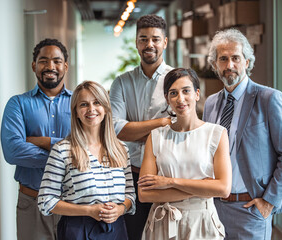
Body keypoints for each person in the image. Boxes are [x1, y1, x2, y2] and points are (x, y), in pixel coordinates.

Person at [203, 28, 282, 239]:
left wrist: (269, 202)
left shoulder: (269, 99)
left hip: (250, 209)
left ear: (247, 62)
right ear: (214, 65)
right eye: (223, 59)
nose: (230, 65)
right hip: (213, 207)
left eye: (236, 58)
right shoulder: (210, 104)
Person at [138, 68, 232, 240]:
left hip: (201, 223)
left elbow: (223, 188)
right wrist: (202, 189)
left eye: (186, 91)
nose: (180, 99)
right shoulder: (156, 136)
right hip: (163, 223)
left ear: (197, 94)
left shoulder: (217, 134)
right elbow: (145, 194)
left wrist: (169, 182)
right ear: (167, 98)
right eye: (173, 93)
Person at [37, 81, 135, 240]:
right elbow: (45, 201)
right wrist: (88, 210)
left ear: (105, 108)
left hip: (116, 229)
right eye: (84, 104)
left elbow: (130, 194)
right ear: (75, 112)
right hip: (77, 230)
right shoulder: (62, 150)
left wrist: (121, 209)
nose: (91, 109)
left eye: (97, 102)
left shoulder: (121, 148)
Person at [109, 14, 173, 240]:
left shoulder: (177, 81)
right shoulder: (121, 83)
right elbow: (117, 130)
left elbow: (180, 130)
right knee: (133, 235)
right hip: (131, 177)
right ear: (137, 42)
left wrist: (135, 130)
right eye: (143, 39)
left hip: (167, 177)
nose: (150, 44)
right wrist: (161, 123)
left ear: (165, 42)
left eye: (155, 39)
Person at [1, 38, 72, 239]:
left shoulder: (80, 104)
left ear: (65, 66)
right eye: (43, 61)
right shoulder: (17, 104)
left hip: (75, 203)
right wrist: (67, 156)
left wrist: (43, 141)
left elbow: (90, 147)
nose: (50, 66)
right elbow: (13, 151)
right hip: (32, 202)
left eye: (57, 61)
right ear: (34, 65)